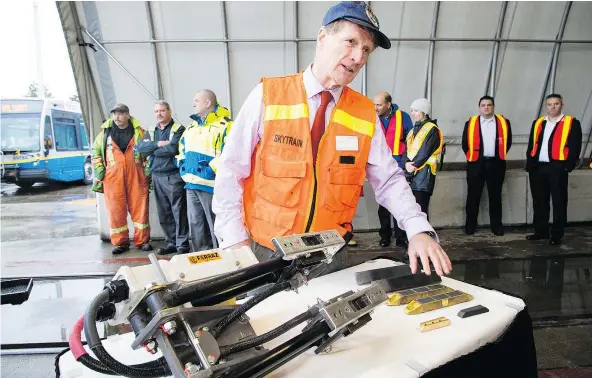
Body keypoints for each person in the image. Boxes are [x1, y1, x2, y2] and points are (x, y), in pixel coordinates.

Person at [212, 1, 452, 277]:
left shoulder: (364, 113)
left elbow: (388, 179)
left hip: (329, 259)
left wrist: (417, 229)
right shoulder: (269, 95)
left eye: (366, 50)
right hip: (264, 254)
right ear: (323, 38)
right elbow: (231, 172)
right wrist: (234, 242)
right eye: (350, 42)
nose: (358, 57)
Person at [91, 103, 153, 254]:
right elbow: (95, 154)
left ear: (127, 115)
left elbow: (149, 152)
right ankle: (120, 243)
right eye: (114, 114)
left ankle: (142, 241)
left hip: (136, 176)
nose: (116, 117)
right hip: (112, 178)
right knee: (115, 210)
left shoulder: (140, 132)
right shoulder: (104, 134)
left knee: (140, 209)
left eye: (120, 114)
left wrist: (148, 172)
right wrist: (100, 171)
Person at [177, 90, 233, 252]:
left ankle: (222, 258)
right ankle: (202, 258)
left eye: (197, 100)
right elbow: (182, 147)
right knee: (196, 225)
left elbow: (230, 151)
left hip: (212, 185)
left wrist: (211, 169)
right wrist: (182, 165)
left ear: (208, 103)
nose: (193, 103)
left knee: (216, 225)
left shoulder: (226, 125)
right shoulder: (192, 126)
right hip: (191, 184)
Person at [525, 94, 582, 245]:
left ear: (562, 105)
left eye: (556, 104)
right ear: (546, 106)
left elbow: (576, 146)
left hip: (557, 168)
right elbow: (532, 144)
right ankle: (541, 231)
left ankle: (556, 234)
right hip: (538, 168)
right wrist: (530, 165)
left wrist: (567, 167)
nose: (553, 107)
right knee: (539, 201)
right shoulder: (538, 123)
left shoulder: (572, 123)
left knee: (558, 202)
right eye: (549, 104)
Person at [137, 101, 190, 255]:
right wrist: (159, 144)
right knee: (164, 212)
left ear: (169, 111)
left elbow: (173, 148)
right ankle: (171, 242)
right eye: (156, 111)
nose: (158, 114)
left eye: (162, 111)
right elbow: (141, 149)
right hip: (157, 175)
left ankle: (182, 245)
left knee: (178, 211)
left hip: (173, 176)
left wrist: (153, 148)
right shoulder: (151, 130)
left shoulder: (178, 129)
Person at [461, 96, 512, 236]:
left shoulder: (504, 122)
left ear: (493, 107)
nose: (486, 107)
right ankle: (470, 226)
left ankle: (496, 226)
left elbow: (508, 142)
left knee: (495, 196)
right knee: (473, 196)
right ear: (479, 107)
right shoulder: (470, 123)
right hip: (476, 164)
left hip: (496, 163)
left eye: (489, 105)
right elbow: (465, 144)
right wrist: (475, 158)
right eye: (483, 105)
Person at [373, 91, 414, 248]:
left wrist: (407, 165)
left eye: (379, 104)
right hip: (380, 167)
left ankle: (400, 237)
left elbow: (411, 141)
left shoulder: (403, 117)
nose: (375, 108)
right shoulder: (372, 117)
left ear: (388, 104)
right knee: (383, 205)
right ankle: (385, 235)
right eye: (374, 104)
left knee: (399, 203)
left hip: (398, 167)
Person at [401, 98, 443, 221]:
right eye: (412, 111)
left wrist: (410, 166)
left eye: (416, 111)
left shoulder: (432, 129)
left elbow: (424, 152)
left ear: (424, 112)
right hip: (412, 175)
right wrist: (406, 163)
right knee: (412, 210)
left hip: (424, 176)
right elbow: (405, 150)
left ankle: (425, 237)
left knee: (421, 209)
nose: (412, 113)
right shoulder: (412, 131)